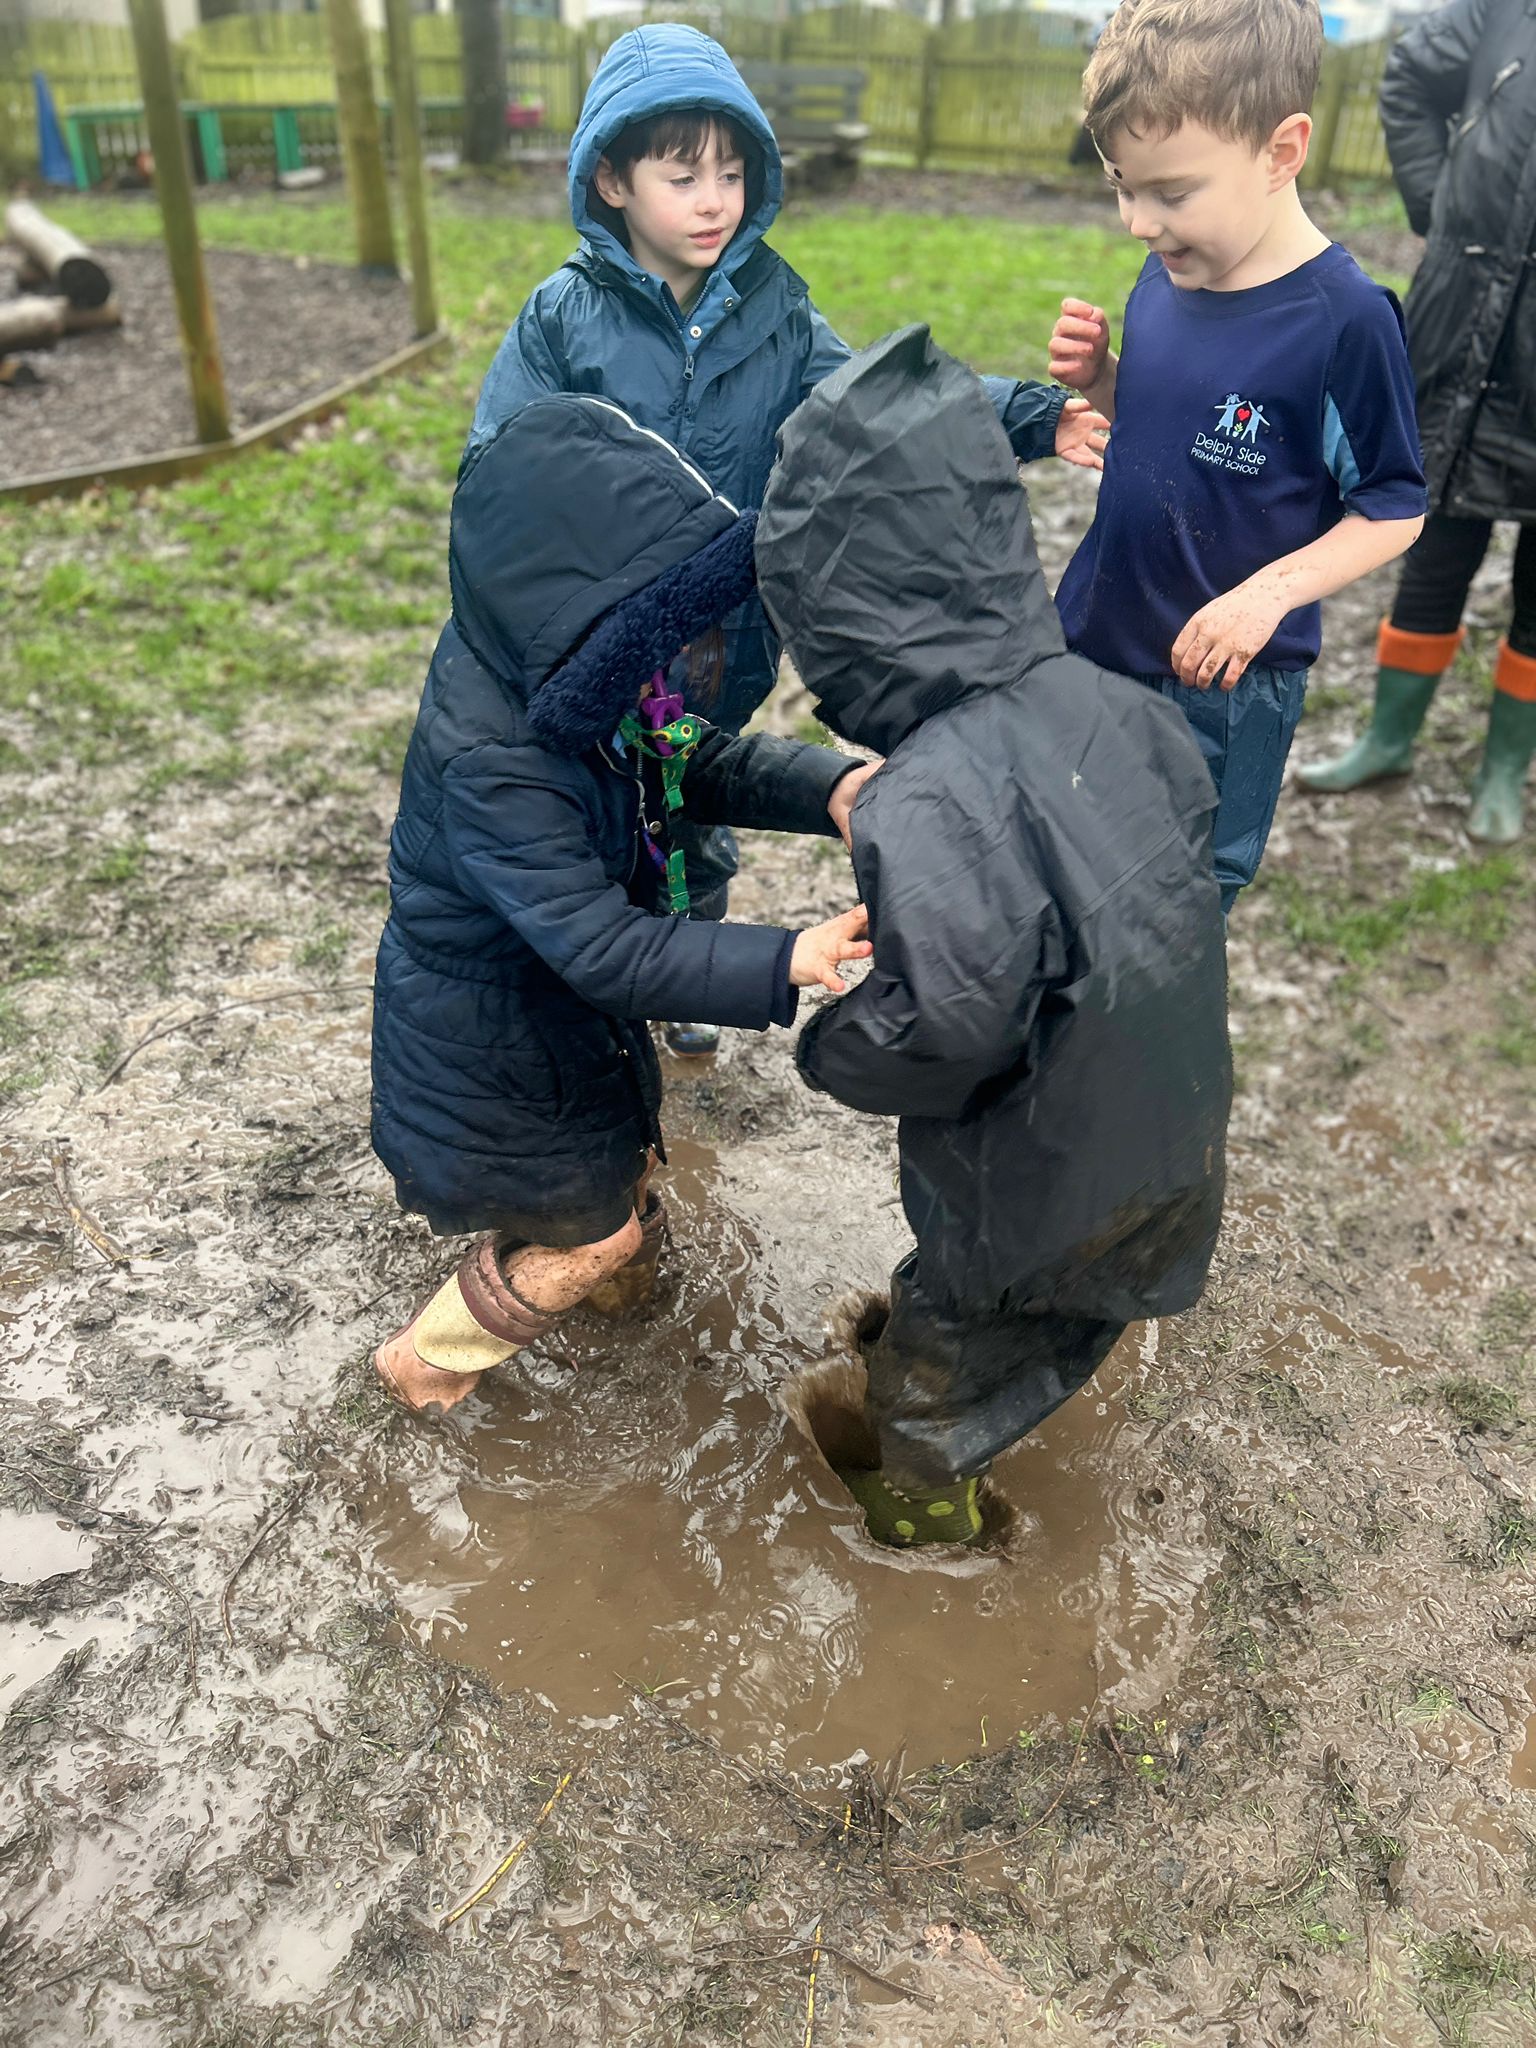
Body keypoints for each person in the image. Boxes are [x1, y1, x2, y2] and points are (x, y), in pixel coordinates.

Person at [468, 21, 1107, 1049]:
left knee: (695, 798)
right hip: (596, 636)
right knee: (597, 802)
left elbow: (878, 405)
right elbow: (503, 468)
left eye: (731, 174)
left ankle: (693, 969)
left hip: (721, 636)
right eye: (682, 176)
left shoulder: (778, 315)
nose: (712, 200)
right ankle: (604, 966)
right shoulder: (563, 319)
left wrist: (1033, 415)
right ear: (613, 181)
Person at [757, 327, 1232, 1549]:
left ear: (840, 618)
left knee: (948, 1372)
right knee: (1068, 1318)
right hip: (1169, 1145)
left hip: (1033, 1181)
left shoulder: (925, 798)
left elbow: (949, 1024)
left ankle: (924, 1513)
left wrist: (831, 1044)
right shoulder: (1117, 703)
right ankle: (958, 1361)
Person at [370, 394, 874, 1415]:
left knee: (620, 1168)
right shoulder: (497, 762)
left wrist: (832, 788)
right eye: (654, 634)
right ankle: (423, 1364)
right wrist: (783, 955)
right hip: (491, 1038)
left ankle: (599, 1266)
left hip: (561, 1011)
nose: (674, 662)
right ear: (584, 623)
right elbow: (604, 948)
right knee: (597, 1235)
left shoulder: (582, 685)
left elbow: (689, 758)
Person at [1048, 0, 1427, 913]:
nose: (1139, 223)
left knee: (1171, 909)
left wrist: (1267, 595)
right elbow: (1174, 424)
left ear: (1281, 151)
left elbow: (1394, 507)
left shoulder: (1346, 323)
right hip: (1094, 638)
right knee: (1067, 866)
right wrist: (1105, 380)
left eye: (1171, 193)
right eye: (1121, 185)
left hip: (1218, 691)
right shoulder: (1167, 268)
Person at [1295, 0, 1536, 844]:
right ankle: (1388, 740)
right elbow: (1407, 76)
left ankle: (1503, 770)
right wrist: (1442, 203)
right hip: (1465, 321)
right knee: (1433, 540)